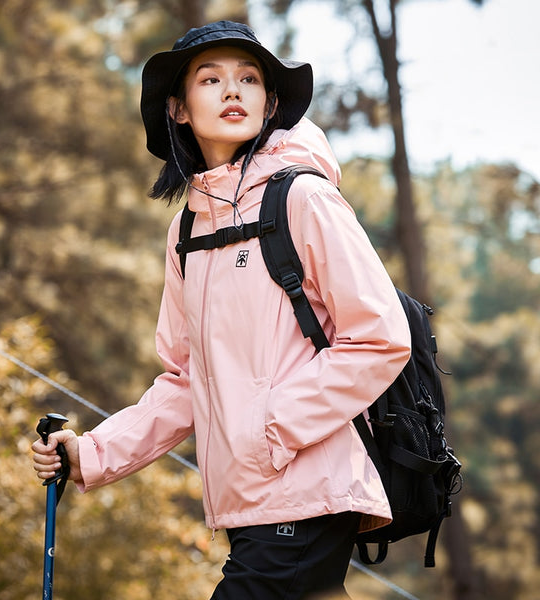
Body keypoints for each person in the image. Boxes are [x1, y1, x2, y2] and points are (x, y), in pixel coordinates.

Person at [32, 20, 411, 599]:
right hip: (250, 510)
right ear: (179, 109)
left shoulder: (304, 198)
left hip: (304, 492)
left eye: (249, 78)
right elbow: (188, 380)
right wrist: (94, 453)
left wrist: (270, 428)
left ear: (271, 101)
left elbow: (380, 336)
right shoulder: (187, 231)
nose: (233, 91)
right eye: (211, 79)